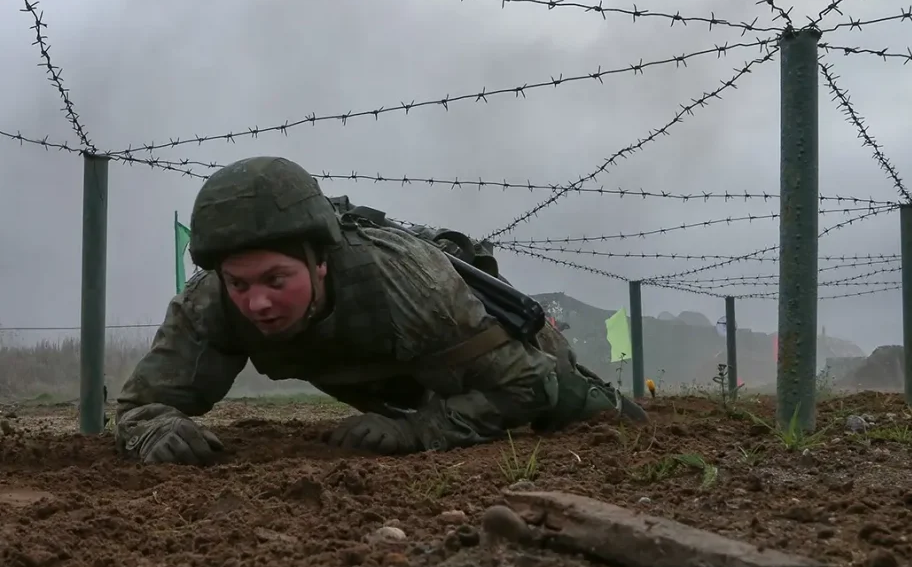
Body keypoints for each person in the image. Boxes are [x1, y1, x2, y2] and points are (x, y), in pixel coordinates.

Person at [113, 156, 647, 465]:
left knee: (585, 411)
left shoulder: (409, 283)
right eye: (239, 282)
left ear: (320, 264)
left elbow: (523, 384)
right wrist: (153, 429)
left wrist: (419, 432)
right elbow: (141, 405)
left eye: (277, 280)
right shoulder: (210, 301)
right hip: (394, 379)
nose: (256, 302)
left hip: (480, 344)